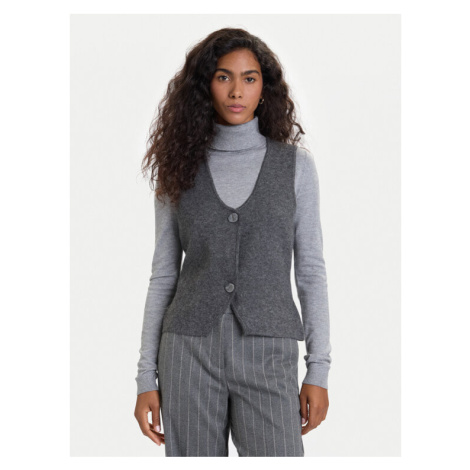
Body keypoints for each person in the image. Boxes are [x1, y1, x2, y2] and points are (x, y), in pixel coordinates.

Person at [134, 27, 332, 457]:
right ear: (205, 86)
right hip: (188, 352)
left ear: (264, 88)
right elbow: (164, 275)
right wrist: (146, 376)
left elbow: (311, 272)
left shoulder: (295, 166)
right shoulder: (178, 167)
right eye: (223, 77)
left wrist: (318, 370)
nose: (236, 91)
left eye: (249, 78)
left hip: (269, 351)